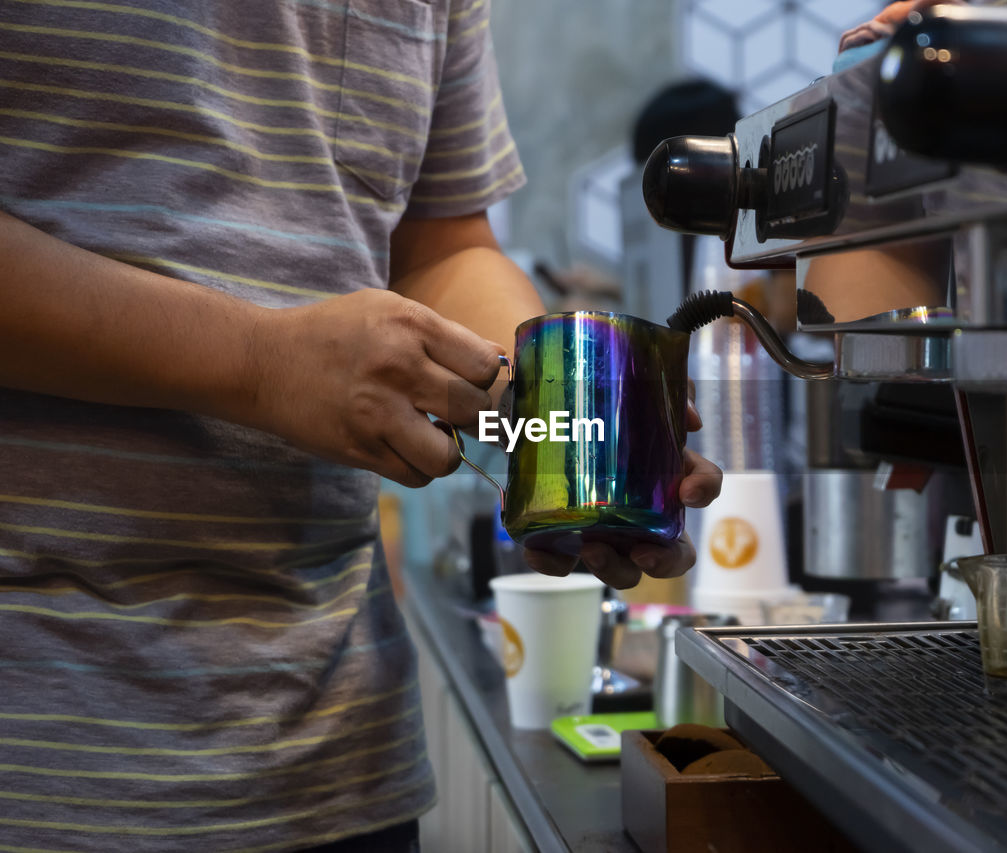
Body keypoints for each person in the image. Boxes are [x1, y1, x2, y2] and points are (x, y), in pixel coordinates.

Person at [0, 1, 722, 850]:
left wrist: (560, 418)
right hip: (46, 759)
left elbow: (444, 242)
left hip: (342, 761)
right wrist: (260, 364)